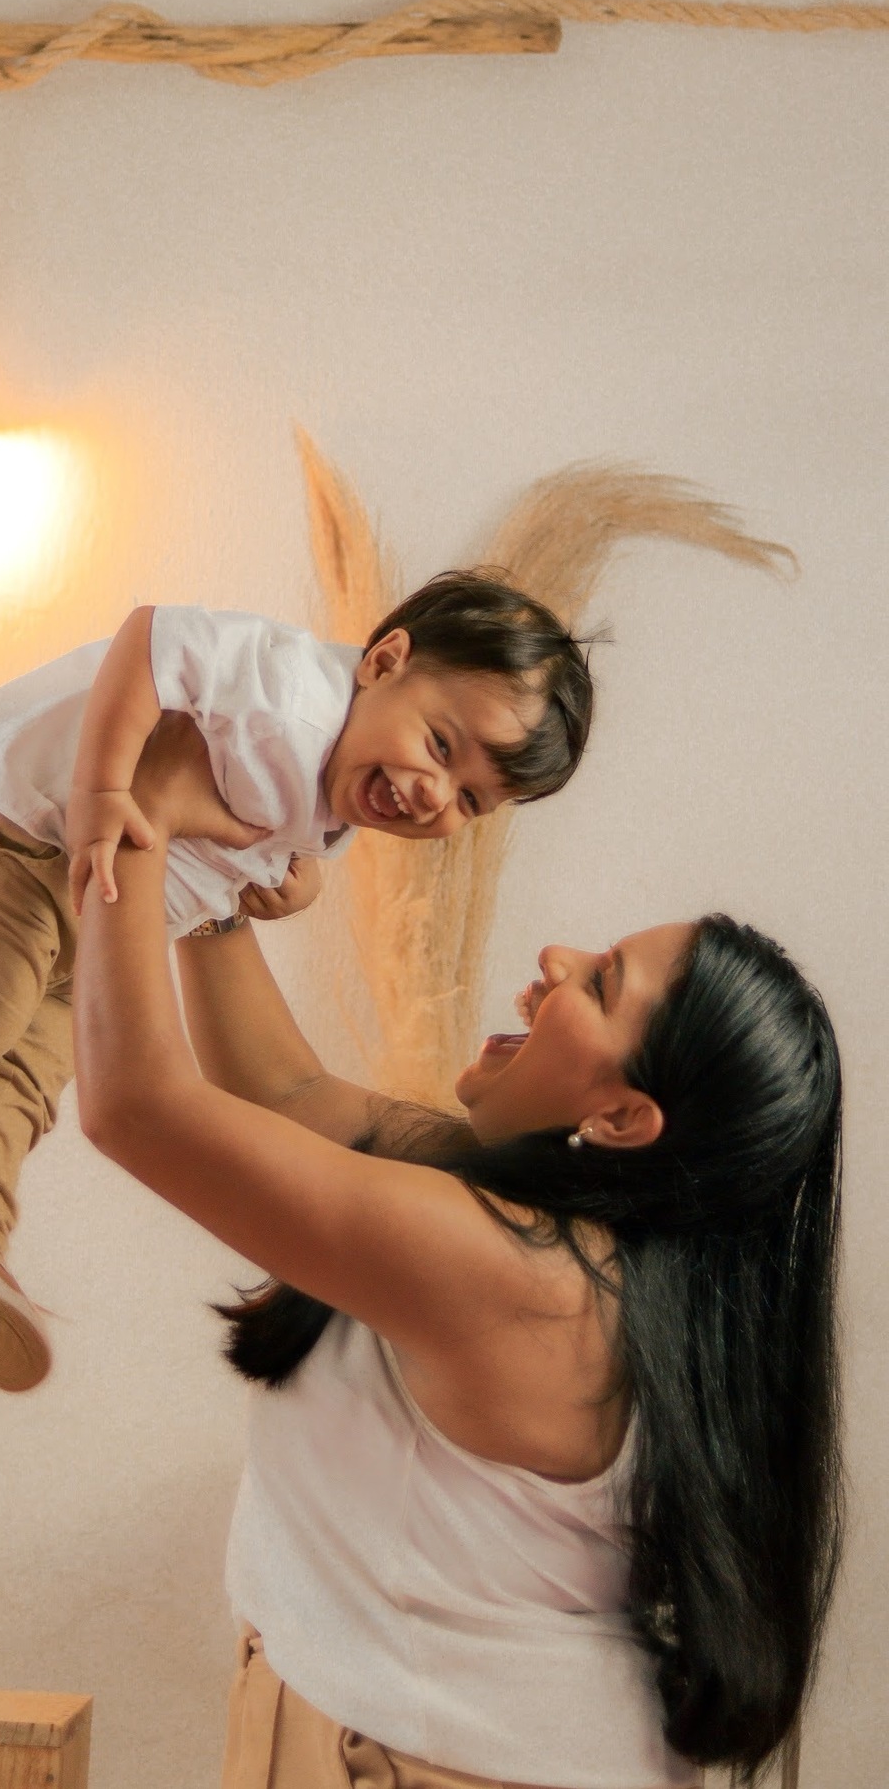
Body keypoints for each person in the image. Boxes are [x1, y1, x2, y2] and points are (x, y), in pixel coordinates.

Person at [73, 716, 842, 1789]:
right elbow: (288, 1091)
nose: (556, 959)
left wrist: (135, 806)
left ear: (625, 1118)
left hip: (416, 1762)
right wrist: (212, 885)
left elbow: (135, 1105)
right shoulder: (561, 1242)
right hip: (383, 1735)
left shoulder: (527, 1280)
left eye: (601, 984)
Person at [0, 573, 591, 1395]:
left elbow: (241, 832)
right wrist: (99, 792)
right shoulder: (287, 694)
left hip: (76, 894)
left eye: (470, 801)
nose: (434, 794)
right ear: (385, 661)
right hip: (3, 815)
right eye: (441, 745)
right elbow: (152, 636)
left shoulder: (342, 784)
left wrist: (294, 881)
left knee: (36, 1060)